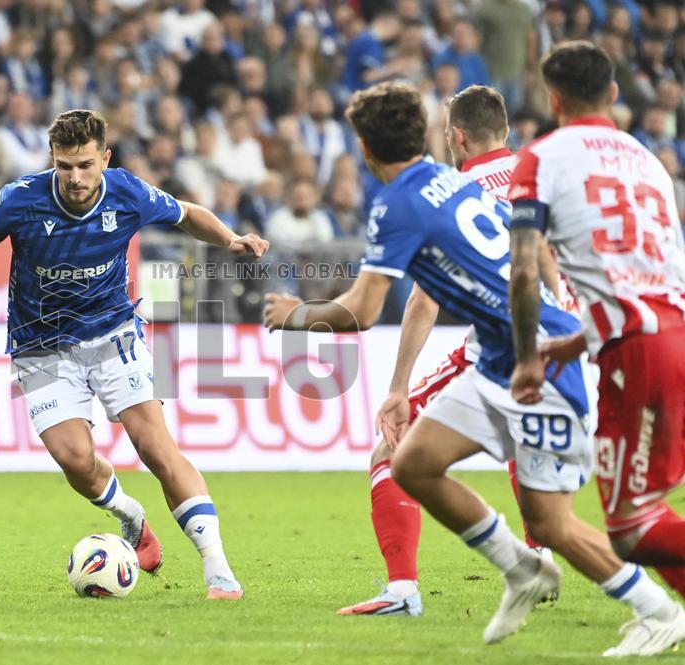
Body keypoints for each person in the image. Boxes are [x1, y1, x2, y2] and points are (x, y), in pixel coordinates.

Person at [262, 82, 685, 656]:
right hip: (508, 350)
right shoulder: (458, 180)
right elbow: (537, 251)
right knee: (412, 460)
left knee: (555, 524)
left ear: (364, 147)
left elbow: (364, 309)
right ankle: (521, 570)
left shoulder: (402, 202)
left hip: (536, 361)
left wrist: (294, 314)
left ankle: (657, 610)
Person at [0, 109, 269, 600]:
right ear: (52, 160)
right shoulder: (22, 198)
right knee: (76, 461)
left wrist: (230, 238)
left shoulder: (127, 192)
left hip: (113, 333)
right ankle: (132, 516)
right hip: (41, 345)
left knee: (155, 446)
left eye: (85, 164)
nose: (75, 177)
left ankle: (218, 569)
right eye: (64, 166)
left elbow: (188, 214)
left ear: (104, 158)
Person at [342, 85, 564, 617]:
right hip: (575, 339)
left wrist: (397, 386)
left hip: (503, 343)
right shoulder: (543, 174)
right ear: (505, 130)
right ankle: (540, 556)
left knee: (391, 450)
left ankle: (402, 591)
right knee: (524, 442)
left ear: (456, 137)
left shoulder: (452, 187)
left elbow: (424, 300)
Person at [508, 42, 685, 652]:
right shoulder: (650, 160)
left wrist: (529, 354)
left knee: (632, 529)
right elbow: (650, 276)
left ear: (553, 99)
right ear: (613, 94)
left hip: (638, 351)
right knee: (642, 510)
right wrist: (575, 342)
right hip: (670, 333)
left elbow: (526, 269)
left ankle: (663, 619)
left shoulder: (542, 157)